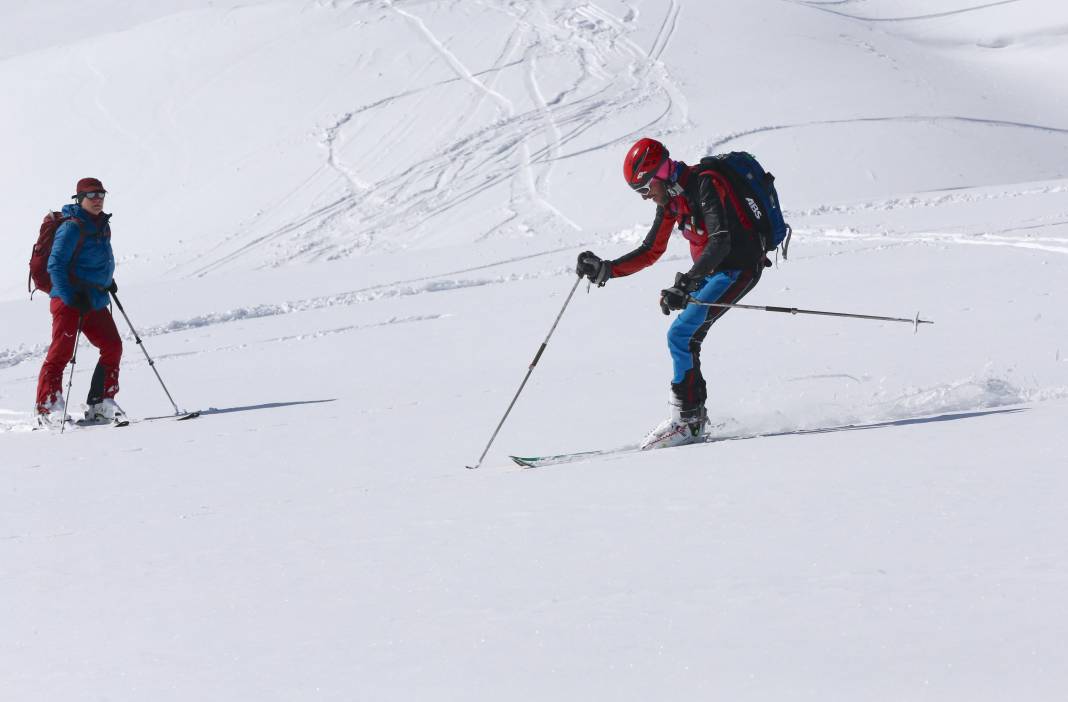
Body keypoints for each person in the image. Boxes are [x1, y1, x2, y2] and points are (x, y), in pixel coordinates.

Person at [577, 138, 778, 450]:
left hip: (738, 268)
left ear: (659, 173)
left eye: (645, 189)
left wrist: (686, 284)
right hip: (714, 272)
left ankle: (686, 422)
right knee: (686, 336)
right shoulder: (672, 200)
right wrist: (606, 269)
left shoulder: (704, 185)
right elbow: (651, 249)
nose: (646, 197)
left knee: (681, 334)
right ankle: (692, 419)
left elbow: (721, 241)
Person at [35, 178, 124, 427]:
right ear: (80, 198)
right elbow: (55, 265)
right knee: (61, 352)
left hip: (94, 297)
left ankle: (101, 403)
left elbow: (98, 259)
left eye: (101, 195)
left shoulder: (103, 225)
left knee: (112, 345)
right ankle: (48, 406)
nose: (97, 199)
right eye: (91, 195)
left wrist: (108, 280)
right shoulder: (72, 227)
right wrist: (70, 296)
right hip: (68, 299)